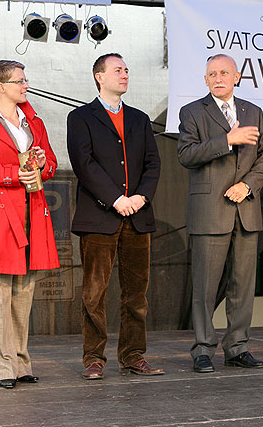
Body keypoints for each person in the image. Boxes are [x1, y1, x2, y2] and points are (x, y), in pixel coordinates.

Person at [0, 60, 60, 389]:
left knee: (24, 291)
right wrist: (10, 174)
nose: (25, 85)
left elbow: (51, 161)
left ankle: (20, 361)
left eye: (24, 80)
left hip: (31, 208)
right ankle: (3, 367)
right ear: (0, 86)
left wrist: (43, 164)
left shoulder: (34, 121)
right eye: (19, 81)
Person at [67, 53, 163, 380]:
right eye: (117, 70)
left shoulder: (139, 118)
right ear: (99, 76)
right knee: (94, 293)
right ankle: (94, 359)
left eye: (126, 70)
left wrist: (140, 197)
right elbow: (84, 164)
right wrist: (115, 199)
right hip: (99, 217)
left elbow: (153, 164)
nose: (124, 74)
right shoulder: (80, 118)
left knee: (136, 294)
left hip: (138, 215)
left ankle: (133, 356)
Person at [177, 54, 263, 373]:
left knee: (243, 284)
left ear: (237, 76)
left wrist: (248, 185)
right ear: (205, 80)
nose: (217, 78)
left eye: (224, 72)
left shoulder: (253, 112)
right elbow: (187, 154)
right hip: (210, 210)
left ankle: (237, 347)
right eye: (211, 74)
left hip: (245, 209)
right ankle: (203, 349)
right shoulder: (192, 112)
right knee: (205, 286)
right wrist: (227, 139)